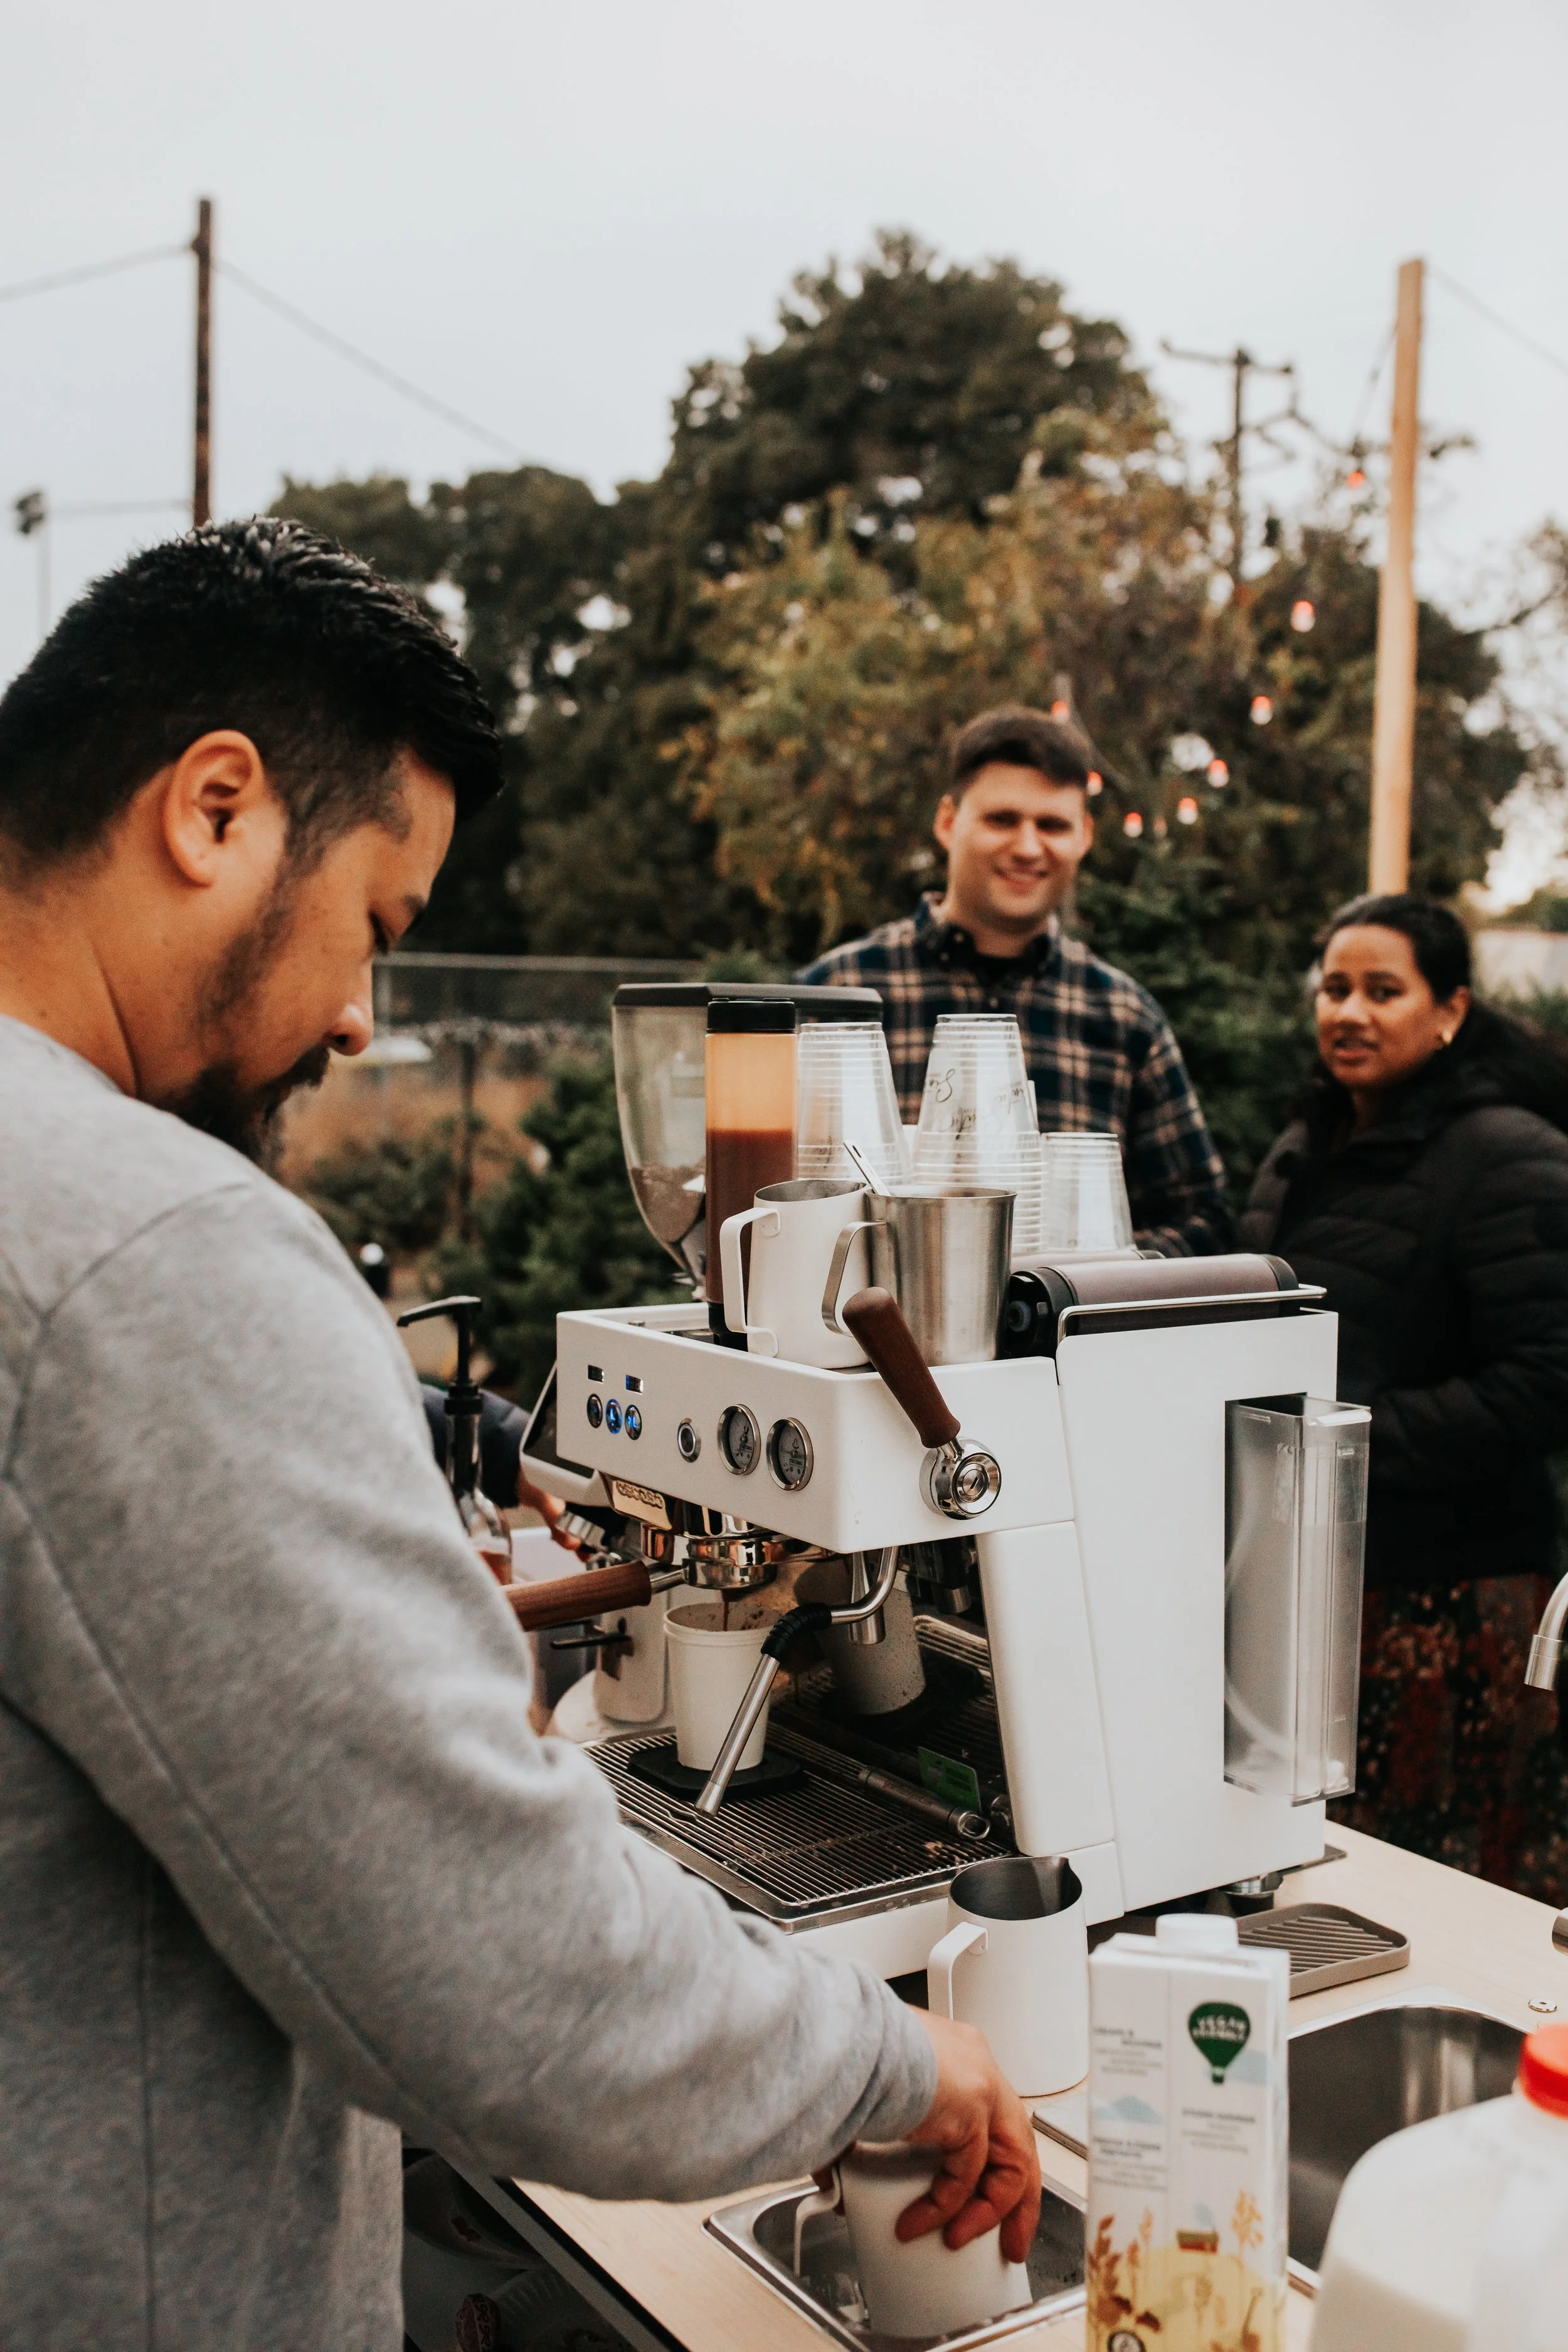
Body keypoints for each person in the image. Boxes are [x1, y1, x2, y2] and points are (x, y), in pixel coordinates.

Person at [0, 521, 1039, 2351]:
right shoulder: (143, 1243)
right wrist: (898, 2063)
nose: (352, 1011)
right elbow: (489, 1968)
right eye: (376, 929)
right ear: (215, 806)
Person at [1239, 893, 1568, 1901]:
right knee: (1324, 1879)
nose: (1350, 1011)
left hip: (1453, 1608)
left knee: (1446, 1885)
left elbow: (1548, 1384)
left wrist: (1345, 1445)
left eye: (1386, 990)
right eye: (1336, 986)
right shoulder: (1308, 1145)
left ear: (1451, 1011)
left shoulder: (1505, 1153)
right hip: (1323, 1586)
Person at [800, 704, 1232, 1254]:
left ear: (1084, 836)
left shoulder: (1124, 1017)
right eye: (1003, 819)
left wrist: (1095, 1277)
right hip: (860, 1334)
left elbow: (1203, 1217)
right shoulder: (838, 996)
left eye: (1052, 825)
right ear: (948, 821)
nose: (1028, 847)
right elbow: (763, 1196)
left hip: (1067, 1338)